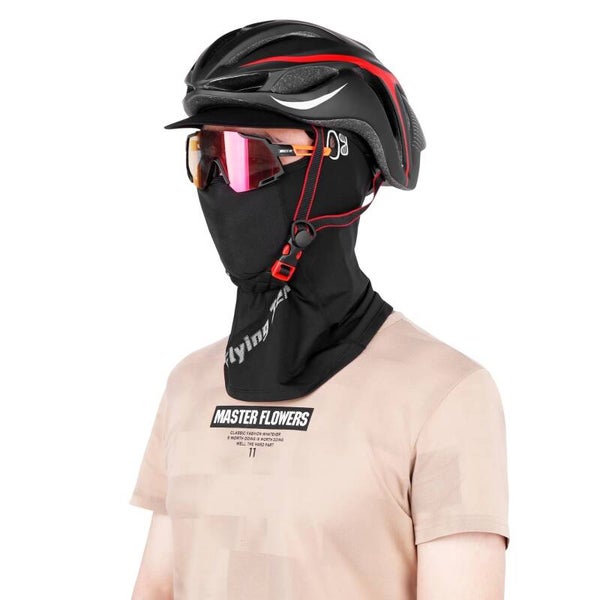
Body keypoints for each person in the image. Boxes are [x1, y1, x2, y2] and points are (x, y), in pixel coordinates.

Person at [129, 20, 510, 600]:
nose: (219, 184)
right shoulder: (190, 385)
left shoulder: (447, 395)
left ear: (336, 171)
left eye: (249, 156)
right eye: (206, 154)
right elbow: (156, 588)